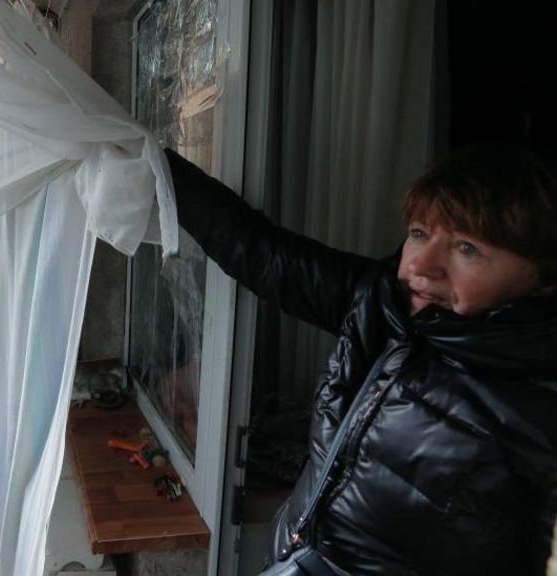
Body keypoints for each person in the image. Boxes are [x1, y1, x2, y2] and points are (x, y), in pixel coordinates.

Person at [165, 143, 557, 575]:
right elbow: (262, 253)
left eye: (467, 249)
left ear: (543, 279)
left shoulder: (540, 400)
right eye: (420, 233)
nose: (420, 266)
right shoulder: (385, 304)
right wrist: (156, 166)